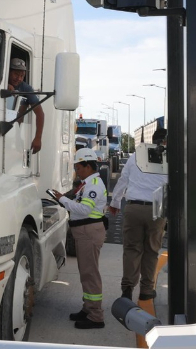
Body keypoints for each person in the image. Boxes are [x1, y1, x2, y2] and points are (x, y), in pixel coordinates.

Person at [48, 148, 108, 329]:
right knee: (86, 273)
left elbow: (84, 209)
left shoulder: (94, 185)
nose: (77, 171)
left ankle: (96, 316)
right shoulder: (87, 183)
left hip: (89, 232)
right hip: (85, 232)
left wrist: (63, 200)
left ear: (88, 166)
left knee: (90, 274)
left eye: (78, 168)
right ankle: (88, 308)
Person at [108, 127, 169, 300]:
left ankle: (127, 289)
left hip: (134, 208)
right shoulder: (169, 159)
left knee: (131, 249)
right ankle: (146, 290)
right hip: (156, 211)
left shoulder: (135, 156)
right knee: (151, 251)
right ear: (165, 142)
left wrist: (115, 202)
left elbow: (123, 179)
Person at [7, 57, 44, 153]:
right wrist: (5, 86)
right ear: (8, 72)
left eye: (22, 76)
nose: (19, 78)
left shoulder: (26, 88)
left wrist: (38, 138)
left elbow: (40, 114)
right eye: (16, 74)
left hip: (15, 131)